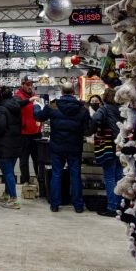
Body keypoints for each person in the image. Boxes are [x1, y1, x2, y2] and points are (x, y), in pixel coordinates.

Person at [34, 82, 89, 213]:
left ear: (62, 92)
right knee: (75, 175)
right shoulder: (82, 108)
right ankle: (78, 205)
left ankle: (55, 204)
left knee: (56, 174)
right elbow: (88, 129)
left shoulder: (53, 106)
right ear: (73, 92)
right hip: (75, 147)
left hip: (57, 147)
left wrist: (36, 106)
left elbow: (39, 117)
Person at [0, 86, 34, 209]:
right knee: (9, 171)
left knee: (8, 172)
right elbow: (22, 102)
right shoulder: (16, 105)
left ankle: (14, 199)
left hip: (4, 144)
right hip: (16, 143)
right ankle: (7, 194)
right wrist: (31, 99)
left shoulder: (1, 108)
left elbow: (1, 126)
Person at [88, 88, 123, 217]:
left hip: (108, 146)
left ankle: (112, 207)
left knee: (109, 177)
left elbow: (95, 119)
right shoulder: (122, 109)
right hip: (121, 146)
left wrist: (91, 130)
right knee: (119, 177)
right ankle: (120, 206)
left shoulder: (105, 108)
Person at [14, 76, 43, 188]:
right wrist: (29, 100)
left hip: (36, 133)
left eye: (31, 84)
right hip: (24, 134)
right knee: (24, 159)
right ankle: (25, 181)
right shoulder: (18, 96)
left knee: (37, 159)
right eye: (27, 84)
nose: (30, 86)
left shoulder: (35, 96)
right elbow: (17, 105)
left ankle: (40, 181)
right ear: (22, 85)